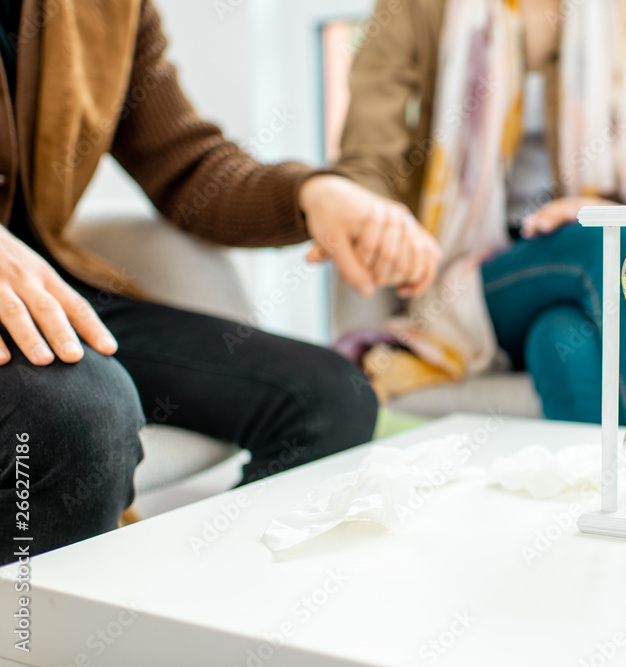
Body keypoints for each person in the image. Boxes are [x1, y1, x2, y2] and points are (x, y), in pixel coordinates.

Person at [0, 0, 441, 565]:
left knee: (330, 395)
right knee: (80, 415)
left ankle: (195, 605)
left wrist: (312, 195)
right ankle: (30, 641)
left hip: (50, 295)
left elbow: (185, 163)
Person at [332, 0, 626, 423]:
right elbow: (365, 164)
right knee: (610, 242)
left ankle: (614, 490)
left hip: (603, 278)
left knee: (560, 339)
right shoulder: (416, 9)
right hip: (472, 277)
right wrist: (364, 219)